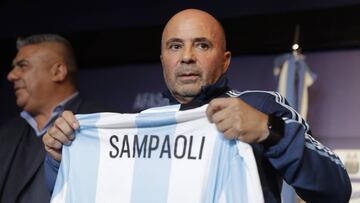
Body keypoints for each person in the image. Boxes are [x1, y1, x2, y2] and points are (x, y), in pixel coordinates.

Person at [43, 9, 352, 202]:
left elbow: (336, 189)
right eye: (175, 46)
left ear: (225, 60)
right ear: (163, 59)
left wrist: (268, 131)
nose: (187, 56)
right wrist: (60, 158)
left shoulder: (258, 106)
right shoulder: (139, 125)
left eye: (202, 45)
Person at [0, 34, 112, 203]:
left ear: (58, 72)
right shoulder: (6, 133)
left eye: (22, 66)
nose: (11, 76)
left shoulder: (102, 125)